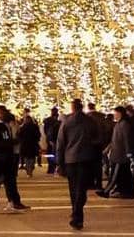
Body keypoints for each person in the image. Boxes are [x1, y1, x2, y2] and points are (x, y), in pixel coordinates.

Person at [56, 97, 100, 231]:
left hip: (70, 159)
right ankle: (77, 213)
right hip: (86, 159)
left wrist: (59, 163)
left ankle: (76, 213)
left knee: (73, 188)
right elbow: (98, 140)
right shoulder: (90, 121)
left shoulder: (66, 122)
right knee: (82, 188)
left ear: (72, 108)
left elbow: (61, 143)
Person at [17, 109, 41, 175]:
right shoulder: (34, 126)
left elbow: (19, 135)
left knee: (28, 158)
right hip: (32, 144)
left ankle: (28, 168)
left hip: (26, 144)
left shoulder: (23, 127)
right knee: (31, 158)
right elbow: (38, 135)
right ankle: (30, 168)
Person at [43, 106, 61, 174]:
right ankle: (54, 166)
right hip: (56, 139)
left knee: (50, 153)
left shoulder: (48, 120)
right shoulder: (58, 121)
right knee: (54, 153)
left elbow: (45, 130)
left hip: (51, 139)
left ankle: (51, 167)